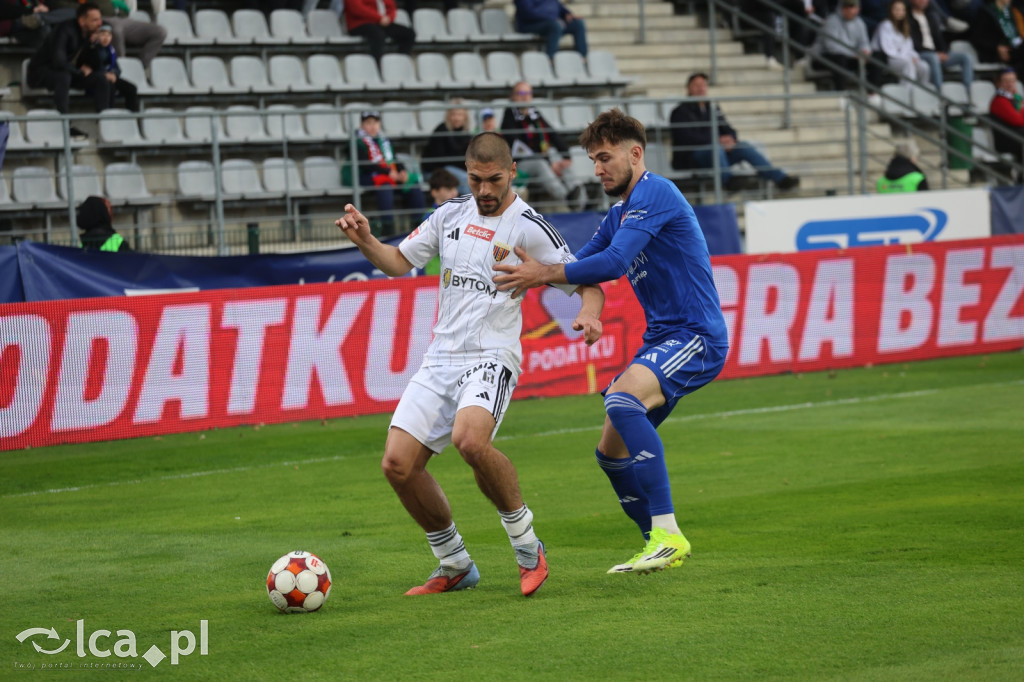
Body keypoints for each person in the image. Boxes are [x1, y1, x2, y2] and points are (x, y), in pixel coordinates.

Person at [335, 132, 605, 596]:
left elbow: (588, 281)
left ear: (512, 172)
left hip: (491, 356)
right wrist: (366, 239)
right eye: (476, 179)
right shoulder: (450, 214)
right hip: (439, 357)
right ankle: (454, 563)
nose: (484, 190)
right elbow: (398, 262)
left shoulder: (529, 226)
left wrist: (588, 312)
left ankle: (527, 548)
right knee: (397, 465)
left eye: (494, 180)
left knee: (469, 441)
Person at [493, 108, 729, 575]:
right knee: (611, 454)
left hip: (695, 334)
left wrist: (541, 273)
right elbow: (588, 268)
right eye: (593, 160)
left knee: (622, 401)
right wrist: (589, 311)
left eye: (604, 158)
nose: (597, 169)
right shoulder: (620, 210)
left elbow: (616, 262)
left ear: (634, 153)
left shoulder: (655, 192)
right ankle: (656, 547)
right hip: (663, 337)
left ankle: (667, 534)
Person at [669, 72, 800, 192]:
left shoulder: (712, 108)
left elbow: (728, 128)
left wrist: (730, 139)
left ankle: (780, 179)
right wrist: (717, 141)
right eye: (696, 85)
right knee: (716, 149)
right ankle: (728, 182)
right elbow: (686, 138)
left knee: (744, 146)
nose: (701, 88)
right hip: (692, 157)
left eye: (703, 85)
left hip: (717, 152)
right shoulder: (679, 112)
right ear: (688, 88)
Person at [500, 80, 587, 210]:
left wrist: (565, 155)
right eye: (521, 92)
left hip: (541, 159)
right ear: (513, 96)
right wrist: (549, 162)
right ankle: (567, 197)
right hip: (519, 164)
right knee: (541, 164)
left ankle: (582, 205)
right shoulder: (509, 115)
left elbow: (552, 133)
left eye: (528, 93)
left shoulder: (534, 113)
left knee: (563, 165)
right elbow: (519, 147)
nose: (525, 96)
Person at [26, 2, 111, 134]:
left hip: (68, 72)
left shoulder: (89, 34)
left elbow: (95, 65)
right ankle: (64, 126)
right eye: (94, 20)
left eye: (99, 19)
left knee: (101, 78)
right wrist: (78, 71)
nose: (100, 23)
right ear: (82, 21)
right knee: (63, 76)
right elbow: (58, 62)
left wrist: (93, 45)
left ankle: (106, 125)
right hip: (41, 72)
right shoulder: (65, 30)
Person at [348, 109, 427, 235]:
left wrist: (402, 172)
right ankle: (388, 229)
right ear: (362, 125)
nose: (373, 126)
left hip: (388, 174)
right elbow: (365, 165)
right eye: (368, 122)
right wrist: (387, 172)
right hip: (365, 176)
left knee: (412, 184)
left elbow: (393, 159)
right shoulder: (357, 141)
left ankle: (420, 227)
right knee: (385, 186)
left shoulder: (384, 141)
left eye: (375, 122)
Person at [50, 0, 167, 69]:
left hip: (122, 19)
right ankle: (122, 67)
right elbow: (60, 5)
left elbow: (121, 9)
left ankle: (140, 67)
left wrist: (116, 10)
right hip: (101, 19)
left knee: (159, 31)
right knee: (115, 30)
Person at [908, 0, 975, 91]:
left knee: (966, 57)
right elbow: (913, 43)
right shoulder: (908, 19)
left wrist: (944, 52)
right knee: (933, 58)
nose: (923, 1)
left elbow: (939, 38)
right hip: (920, 54)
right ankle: (939, 93)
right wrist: (935, 54)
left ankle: (968, 92)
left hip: (937, 54)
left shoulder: (932, 17)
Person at [76, 22, 139, 112]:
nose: (106, 38)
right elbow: (91, 67)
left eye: (109, 35)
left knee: (131, 88)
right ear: (96, 35)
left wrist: (114, 74)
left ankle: (134, 117)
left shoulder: (111, 50)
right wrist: (105, 74)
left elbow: (117, 68)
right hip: (98, 79)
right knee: (109, 86)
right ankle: (107, 116)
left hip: (110, 76)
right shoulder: (91, 49)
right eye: (103, 35)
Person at [814, 0, 874, 90]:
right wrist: (855, 55)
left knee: (874, 58)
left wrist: (865, 51)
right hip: (823, 57)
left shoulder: (860, 23)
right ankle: (840, 93)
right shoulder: (832, 20)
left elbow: (864, 42)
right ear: (841, 8)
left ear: (857, 9)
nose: (850, 10)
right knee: (840, 59)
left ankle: (872, 93)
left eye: (852, 7)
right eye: (846, 8)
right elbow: (831, 47)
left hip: (850, 57)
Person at [872, 0, 931, 88]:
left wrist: (914, 57)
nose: (900, 12)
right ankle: (907, 96)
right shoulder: (885, 25)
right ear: (891, 11)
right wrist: (908, 58)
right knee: (909, 65)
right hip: (890, 59)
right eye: (897, 9)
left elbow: (909, 48)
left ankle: (922, 93)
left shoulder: (905, 26)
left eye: (902, 10)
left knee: (924, 66)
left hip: (905, 58)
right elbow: (888, 50)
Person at [421, 101, 472, 196]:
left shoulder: (466, 134)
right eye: (453, 114)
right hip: (434, 172)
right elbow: (441, 161)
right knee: (466, 179)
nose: (456, 118)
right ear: (448, 116)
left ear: (465, 116)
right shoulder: (441, 130)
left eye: (460, 114)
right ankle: (472, 208)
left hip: (453, 170)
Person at [343, 0, 416, 65]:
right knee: (378, 35)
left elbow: (391, 7)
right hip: (360, 23)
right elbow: (357, 8)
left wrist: (389, 18)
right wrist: (379, 18)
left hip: (380, 23)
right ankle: (377, 66)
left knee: (408, 34)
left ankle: (400, 64)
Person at [513, 0, 587, 61]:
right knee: (555, 26)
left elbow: (558, 6)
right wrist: (552, 18)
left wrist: (567, 14)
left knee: (578, 24)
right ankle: (550, 58)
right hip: (530, 25)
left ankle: (582, 57)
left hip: (552, 22)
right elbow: (528, 13)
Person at [969, 0, 1024, 74]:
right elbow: (977, 38)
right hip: (997, 52)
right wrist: (996, 47)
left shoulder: (1011, 11)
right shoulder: (986, 12)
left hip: (1016, 48)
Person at [989, 67, 1024, 162]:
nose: (1010, 84)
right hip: (1006, 140)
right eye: (1006, 81)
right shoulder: (999, 101)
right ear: (998, 83)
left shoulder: (1016, 98)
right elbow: (1018, 121)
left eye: (1013, 81)